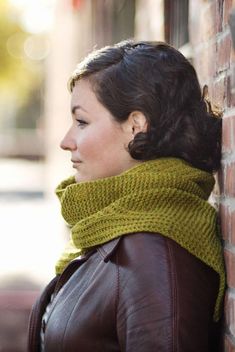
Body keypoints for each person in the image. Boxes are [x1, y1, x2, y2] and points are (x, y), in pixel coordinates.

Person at [28, 40, 225, 352]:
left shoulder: (156, 252)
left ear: (136, 126)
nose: (66, 141)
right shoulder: (114, 225)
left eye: (82, 121)